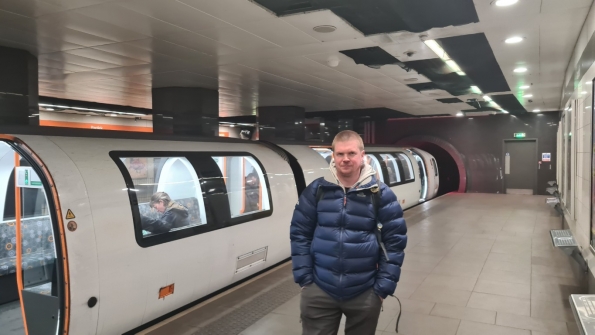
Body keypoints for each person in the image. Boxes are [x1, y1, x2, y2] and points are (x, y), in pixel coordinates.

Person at [290, 130, 407, 335]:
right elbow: (300, 234)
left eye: (351, 153)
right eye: (340, 154)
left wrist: (381, 289)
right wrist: (305, 279)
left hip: (365, 290)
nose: (345, 159)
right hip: (319, 288)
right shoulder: (316, 190)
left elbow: (394, 243)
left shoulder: (381, 194)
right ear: (333, 156)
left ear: (363, 156)